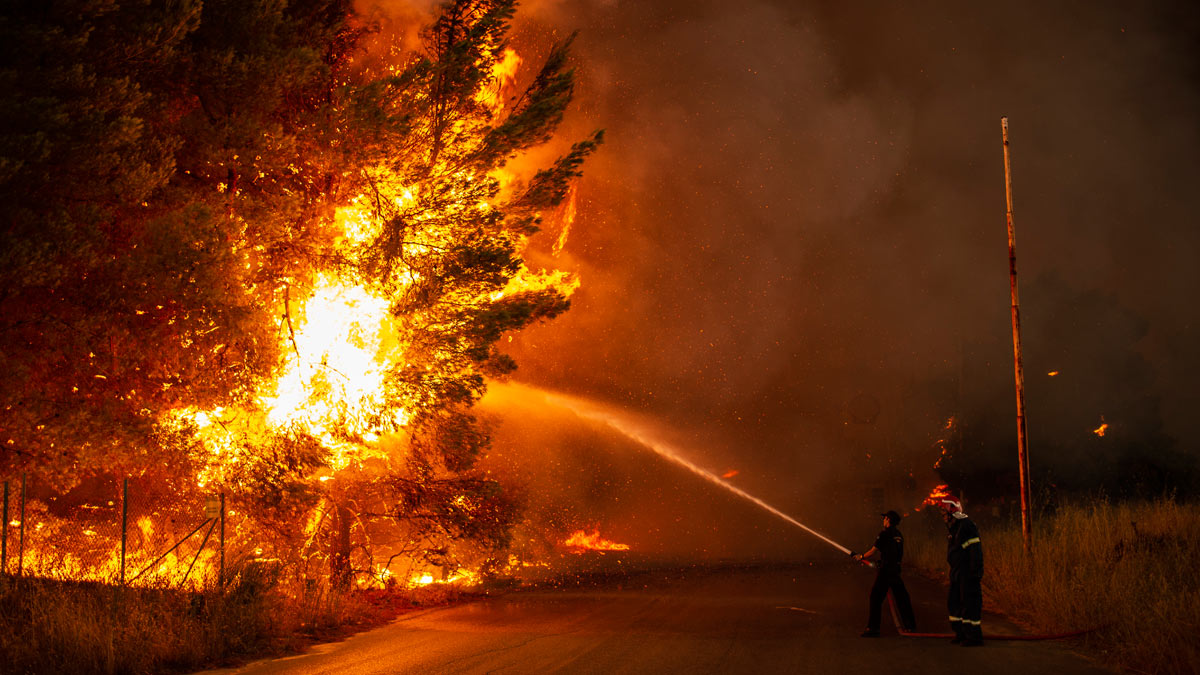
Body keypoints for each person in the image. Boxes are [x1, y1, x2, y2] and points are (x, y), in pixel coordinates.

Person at [852, 509, 917, 636]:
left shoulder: (884, 533)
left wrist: (861, 557)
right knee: (902, 598)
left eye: (885, 518)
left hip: (886, 571)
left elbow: (873, 551)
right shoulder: (899, 534)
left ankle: (873, 629)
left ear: (888, 520)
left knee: (875, 598)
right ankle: (910, 626)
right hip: (895, 570)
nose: (883, 520)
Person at [939, 494, 984, 646]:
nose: (943, 516)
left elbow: (975, 550)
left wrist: (975, 572)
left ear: (952, 510)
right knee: (955, 603)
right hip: (957, 572)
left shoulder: (966, 526)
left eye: (944, 513)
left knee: (969, 604)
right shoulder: (955, 527)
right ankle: (961, 633)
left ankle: (973, 637)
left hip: (967, 572)